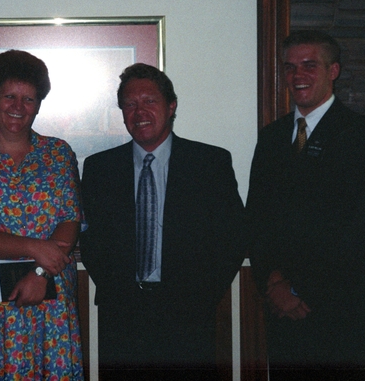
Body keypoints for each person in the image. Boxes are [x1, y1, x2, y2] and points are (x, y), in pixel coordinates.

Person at [80, 63, 246, 381]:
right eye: (130, 104)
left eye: (149, 101)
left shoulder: (210, 163)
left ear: (171, 107)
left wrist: (203, 296)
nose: (139, 111)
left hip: (189, 316)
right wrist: (116, 290)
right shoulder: (100, 168)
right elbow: (91, 239)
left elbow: (233, 236)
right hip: (122, 317)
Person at [246, 30, 365, 380]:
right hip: (283, 315)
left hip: (343, 315)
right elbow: (256, 222)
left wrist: (296, 287)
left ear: (334, 71)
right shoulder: (271, 139)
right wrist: (273, 284)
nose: (298, 76)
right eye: (290, 67)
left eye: (309, 65)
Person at [0, 50, 83, 380]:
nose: (18, 107)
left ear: (38, 105)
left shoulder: (58, 153)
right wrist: (36, 248)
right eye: (9, 96)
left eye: (29, 99)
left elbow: (70, 219)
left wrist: (39, 272)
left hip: (49, 298)